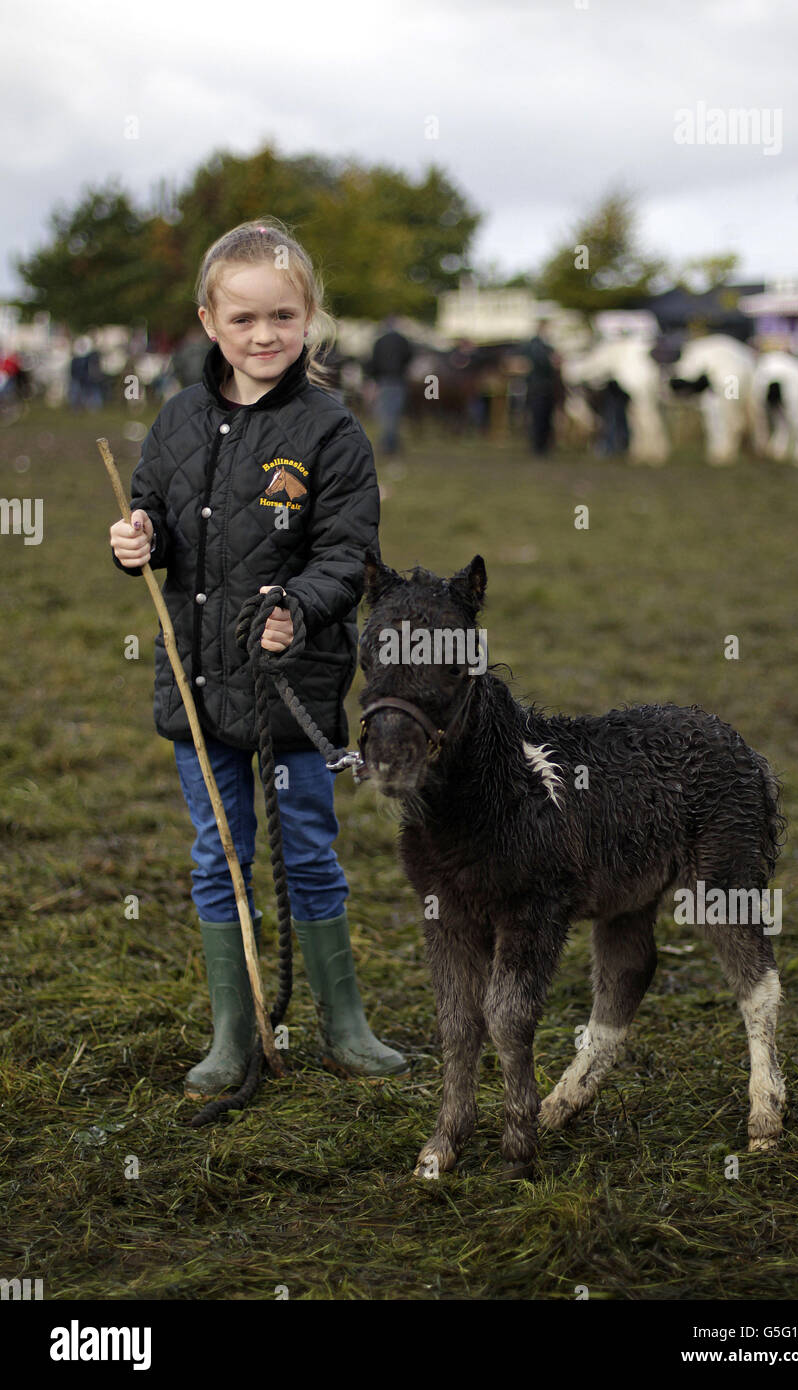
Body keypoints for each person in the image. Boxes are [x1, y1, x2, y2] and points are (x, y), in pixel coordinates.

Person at [109, 218, 406, 1099]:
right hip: (197, 693)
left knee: (309, 852)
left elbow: (347, 557)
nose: (265, 335)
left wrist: (297, 609)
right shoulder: (177, 421)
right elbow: (152, 516)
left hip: (294, 694)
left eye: (283, 315)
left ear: (310, 315)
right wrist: (137, 539)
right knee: (220, 857)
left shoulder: (331, 433)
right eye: (244, 320)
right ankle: (231, 1036)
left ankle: (344, 1026)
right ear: (209, 322)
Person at [370, 315, 413, 455]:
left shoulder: (380, 341)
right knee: (394, 413)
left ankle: (388, 444)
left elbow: (373, 361)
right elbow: (409, 357)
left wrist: (373, 380)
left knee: (385, 413)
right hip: (399, 380)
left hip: (384, 380)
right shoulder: (403, 340)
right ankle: (391, 443)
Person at [524, 319, 559, 455]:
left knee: (546, 417)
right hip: (537, 387)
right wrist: (551, 362)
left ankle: (544, 445)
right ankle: (538, 447)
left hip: (547, 387)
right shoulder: (535, 345)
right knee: (538, 417)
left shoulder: (548, 345)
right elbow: (539, 362)